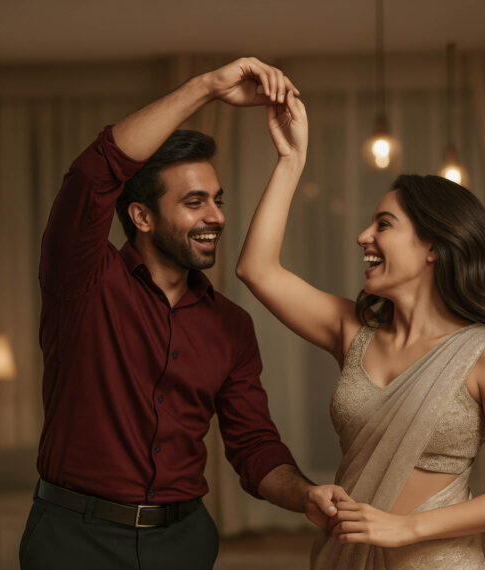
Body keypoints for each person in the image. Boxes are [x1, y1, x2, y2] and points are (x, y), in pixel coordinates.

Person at [20, 57, 350, 570]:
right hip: (73, 541)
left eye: (217, 200)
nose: (216, 216)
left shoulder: (231, 326)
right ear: (142, 216)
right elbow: (94, 173)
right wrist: (209, 87)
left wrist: (305, 495)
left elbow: (254, 446)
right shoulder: (82, 279)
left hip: (184, 543)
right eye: (194, 202)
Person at [235, 93, 485, 568]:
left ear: (433, 246)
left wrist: (406, 527)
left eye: (383, 224)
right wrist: (290, 159)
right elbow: (256, 269)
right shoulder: (353, 331)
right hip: (348, 557)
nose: (364, 237)